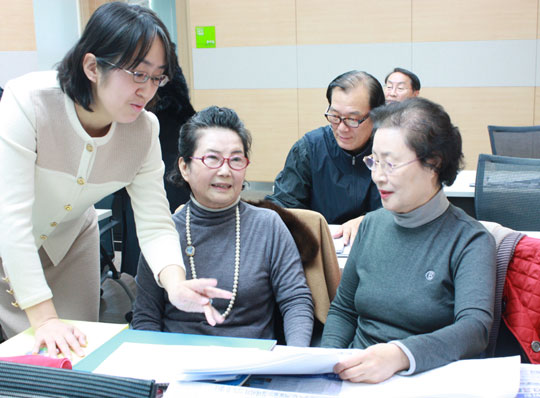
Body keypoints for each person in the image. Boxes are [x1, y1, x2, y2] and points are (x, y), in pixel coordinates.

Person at [0, 2, 230, 357]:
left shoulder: (143, 130)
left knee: (74, 353)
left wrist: (175, 282)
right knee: (23, 355)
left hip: (69, 243)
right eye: (138, 73)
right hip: (7, 237)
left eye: (158, 77)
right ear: (92, 66)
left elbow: (154, 222)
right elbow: (10, 218)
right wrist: (44, 318)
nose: (148, 90)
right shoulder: (29, 102)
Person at [321, 97, 496, 383]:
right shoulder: (371, 225)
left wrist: (400, 355)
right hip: (356, 378)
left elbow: (474, 329)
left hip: (425, 378)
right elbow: (344, 309)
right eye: (374, 162)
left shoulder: (469, 240)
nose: (377, 176)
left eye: (389, 164)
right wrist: (325, 364)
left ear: (433, 163)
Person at [132, 106, 314, 346]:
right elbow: (146, 316)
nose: (226, 171)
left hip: (253, 363)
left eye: (236, 159)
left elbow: (296, 300)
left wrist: (295, 357)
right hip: (178, 363)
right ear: (184, 167)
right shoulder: (163, 234)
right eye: (212, 158)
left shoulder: (268, 226)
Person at [266, 70, 384, 245]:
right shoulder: (309, 149)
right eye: (335, 116)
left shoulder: (392, 150)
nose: (342, 128)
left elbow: (410, 206)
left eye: (353, 119)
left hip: (377, 245)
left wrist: (373, 221)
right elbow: (284, 207)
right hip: (321, 248)